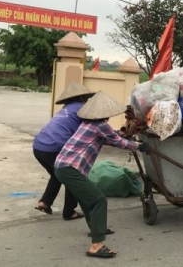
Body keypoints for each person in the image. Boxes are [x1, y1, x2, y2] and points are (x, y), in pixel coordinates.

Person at [54, 92, 151, 258]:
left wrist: (124, 136)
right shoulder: (101, 125)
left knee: (86, 199)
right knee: (98, 199)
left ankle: (96, 230)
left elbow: (109, 138)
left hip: (63, 166)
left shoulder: (88, 123)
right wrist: (138, 146)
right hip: (70, 168)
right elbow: (117, 142)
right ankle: (96, 246)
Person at [33, 82, 95, 220]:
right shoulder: (82, 109)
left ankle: (45, 202)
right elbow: (92, 128)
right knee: (71, 176)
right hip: (54, 147)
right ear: (82, 97)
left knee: (57, 175)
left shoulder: (64, 109)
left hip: (39, 146)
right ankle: (69, 212)